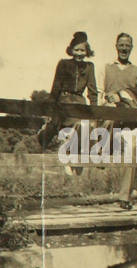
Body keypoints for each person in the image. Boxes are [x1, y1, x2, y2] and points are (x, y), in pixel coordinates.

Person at [97, 33, 137, 210]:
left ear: (131, 47)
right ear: (116, 46)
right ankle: (102, 151)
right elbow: (99, 94)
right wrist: (108, 101)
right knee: (110, 115)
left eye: (127, 45)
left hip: (128, 121)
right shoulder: (106, 68)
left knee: (133, 148)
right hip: (109, 120)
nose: (124, 48)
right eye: (121, 45)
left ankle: (124, 197)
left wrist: (121, 98)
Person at [39, 31, 97, 175]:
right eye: (76, 50)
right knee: (64, 125)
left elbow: (92, 90)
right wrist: (50, 107)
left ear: (87, 51)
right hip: (64, 100)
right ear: (71, 50)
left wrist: (95, 110)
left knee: (86, 126)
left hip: (79, 101)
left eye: (82, 50)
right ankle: (47, 133)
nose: (79, 53)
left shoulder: (89, 66)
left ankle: (75, 160)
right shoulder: (64, 64)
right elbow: (56, 86)